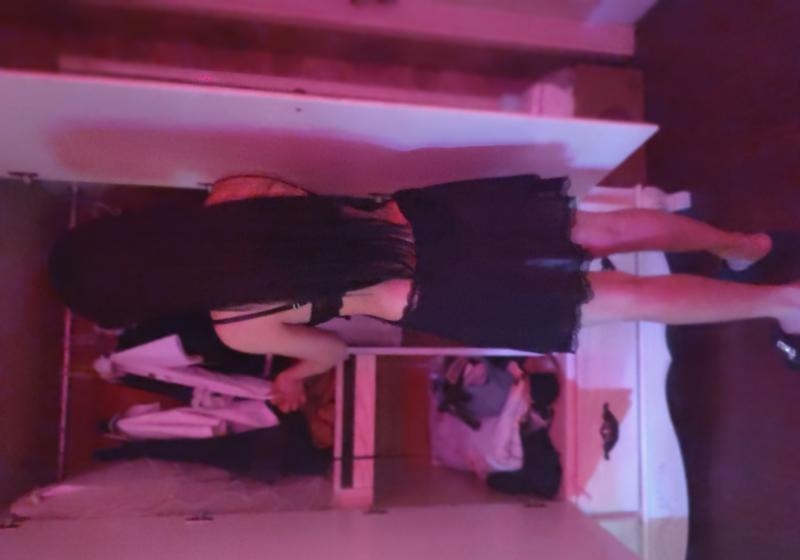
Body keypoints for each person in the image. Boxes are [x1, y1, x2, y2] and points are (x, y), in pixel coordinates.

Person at [49, 174, 796, 413]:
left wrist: (295, 378)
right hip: (433, 221)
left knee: (620, 300)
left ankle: (780, 302)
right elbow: (320, 205)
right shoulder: (233, 194)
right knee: (599, 229)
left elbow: (330, 351)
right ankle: (744, 246)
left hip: (427, 293)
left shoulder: (237, 323)